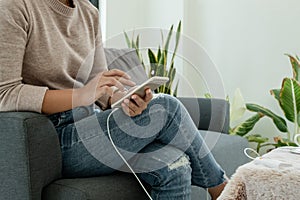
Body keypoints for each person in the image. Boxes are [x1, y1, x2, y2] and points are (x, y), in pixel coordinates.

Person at [0, 0, 227, 199]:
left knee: (175, 165)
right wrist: (80, 96)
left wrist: (123, 100)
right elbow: (5, 94)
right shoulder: (15, 6)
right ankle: (225, 191)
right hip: (53, 138)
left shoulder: (89, 12)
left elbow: (102, 87)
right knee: (165, 107)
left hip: (93, 123)